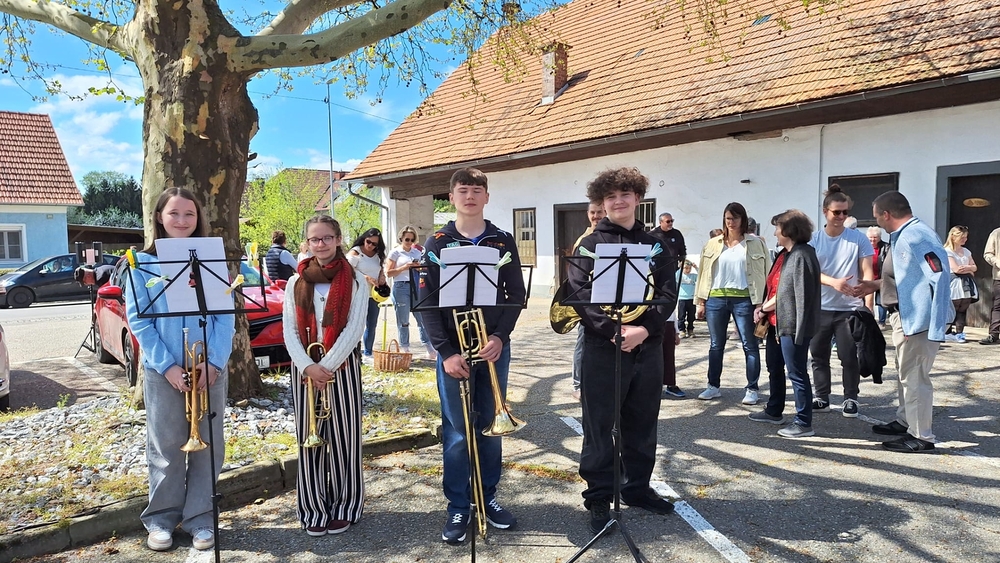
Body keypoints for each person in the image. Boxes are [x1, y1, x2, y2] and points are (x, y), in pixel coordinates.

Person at [124, 188, 236, 552]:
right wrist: (168, 366)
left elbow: (225, 317)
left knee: (208, 445)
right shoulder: (141, 263)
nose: (182, 220)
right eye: (174, 213)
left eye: (190, 214)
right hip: (164, 371)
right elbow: (139, 321)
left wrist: (213, 362)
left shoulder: (211, 261)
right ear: (159, 217)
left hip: (207, 368)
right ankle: (161, 519)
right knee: (166, 446)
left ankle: (201, 518)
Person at [418, 168, 525, 544]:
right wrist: (445, 352)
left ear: (487, 197)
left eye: (477, 190)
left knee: (493, 426)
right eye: (463, 190)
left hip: (492, 348)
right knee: (457, 432)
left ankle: (487, 497)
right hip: (454, 352)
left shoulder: (502, 240)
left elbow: (516, 294)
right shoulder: (437, 243)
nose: (470, 196)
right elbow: (426, 302)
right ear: (451, 197)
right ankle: (459, 505)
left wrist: (500, 336)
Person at [567, 167, 675, 535]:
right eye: (610, 197)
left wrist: (644, 329)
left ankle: (637, 488)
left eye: (625, 194)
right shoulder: (589, 244)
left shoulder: (656, 245)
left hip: (647, 345)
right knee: (599, 425)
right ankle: (599, 495)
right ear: (602, 202)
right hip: (603, 347)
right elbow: (579, 294)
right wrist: (612, 331)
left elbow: (667, 293)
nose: (618, 202)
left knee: (643, 422)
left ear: (637, 198)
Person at [282, 215, 368, 536]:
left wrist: (326, 366)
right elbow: (289, 330)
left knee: (345, 439)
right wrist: (308, 366)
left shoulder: (356, 280)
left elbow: (354, 328)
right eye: (314, 239)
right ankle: (313, 508)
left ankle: (346, 506)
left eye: (327, 238)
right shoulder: (295, 282)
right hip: (304, 368)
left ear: (338, 239)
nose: (321, 244)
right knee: (310, 441)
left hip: (341, 367)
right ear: (307, 243)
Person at [862, 191, 953, 452]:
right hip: (905, 318)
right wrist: (874, 285)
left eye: (877, 216)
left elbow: (939, 277)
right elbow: (906, 277)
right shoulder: (903, 235)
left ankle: (922, 436)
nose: (877, 221)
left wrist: (928, 324)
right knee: (906, 373)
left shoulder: (917, 235)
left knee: (915, 377)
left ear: (886, 214)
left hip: (916, 322)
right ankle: (906, 422)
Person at [750, 210, 821, 438]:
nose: (774, 233)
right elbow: (775, 288)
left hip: (791, 323)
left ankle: (803, 422)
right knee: (775, 367)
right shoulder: (785, 254)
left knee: (796, 372)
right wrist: (765, 309)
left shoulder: (802, 255)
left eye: (777, 228)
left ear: (789, 230)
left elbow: (788, 293)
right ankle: (774, 410)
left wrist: (763, 308)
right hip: (776, 323)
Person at [694, 202, 771, 404]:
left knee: (749, 344)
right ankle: (713, 386)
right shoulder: (712, 244)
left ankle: (752, 389)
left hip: (745, 299)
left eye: (735, 218)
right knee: (715, 345)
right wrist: (700, 302)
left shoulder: (756, 244)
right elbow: (703, 274)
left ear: (743, 219)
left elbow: (767, 274)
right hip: (715, 298)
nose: (731, 222)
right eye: (728, 218)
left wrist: (762, 304)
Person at [808, 185, 874, 418]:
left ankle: (850, 398)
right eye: (837, 212)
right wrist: (833, 282)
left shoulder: (858, 239)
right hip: (821, 307)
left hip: (849, 309)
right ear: (825, 211)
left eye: (845, 212)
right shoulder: (814, 239)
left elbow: (867, 272)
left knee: (849, 356)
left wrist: (867, 300)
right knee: (818, 355)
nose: (841, 216)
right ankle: (821, 397)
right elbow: (809, 272)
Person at [571, 201, 606, 401]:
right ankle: (578, 384)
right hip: (588, 299)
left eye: (599, 212)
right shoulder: (583, 241)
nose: (596, 216)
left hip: (606, 299)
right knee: (583, 342)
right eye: (593, 212)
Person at [385, 225, 433, 358]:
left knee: (422, 318)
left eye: (412, 240)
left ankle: (428, 346)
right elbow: (388, 273)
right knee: (403, 320)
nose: (409, 242)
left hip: (416, 285)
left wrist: (418, 268)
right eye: (407, 239)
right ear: (401, 238)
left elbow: (424, 270)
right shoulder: (395, 252)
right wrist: (405, 267)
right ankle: (405, 346)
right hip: (401, 286)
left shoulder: (416, 253)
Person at [346, 228, 387, 358]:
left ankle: (368, 352)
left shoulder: (378, 254)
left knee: (372, 324)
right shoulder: (355, 252)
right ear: (364, 239)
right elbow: (348, 270)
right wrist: (366, 277)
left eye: (374, 244)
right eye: (368, 241)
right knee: (356, 324)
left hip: (374, 294)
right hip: (357, 293)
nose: (370, 245)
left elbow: (381, 268)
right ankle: (354, 351)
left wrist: (382, 276)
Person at [943, 226, 978, 343]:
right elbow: (956, 269)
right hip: (954, 282)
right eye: (962, 237)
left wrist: (967, 268)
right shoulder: (947, 251)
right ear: (954, 237)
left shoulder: (966, 251)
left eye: (966, 237)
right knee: (952, 306)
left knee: (963, 306)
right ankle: (947, 331)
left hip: (966, 283)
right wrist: (970, 269)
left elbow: (975, 267)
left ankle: (959, 332)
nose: (965, 240)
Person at [867, 226, 889, 327]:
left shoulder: (886, 247)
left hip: (880, 276)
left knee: (881, 301)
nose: (872, 240)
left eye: (875, 237)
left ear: (879, 237)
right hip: (868, 277)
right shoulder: (864, 246)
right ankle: (869, 320)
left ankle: (881, 322)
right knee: (867, 300)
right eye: (870, 237)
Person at [983, 225, 1000, 345]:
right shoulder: (996, 233)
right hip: (999, 277)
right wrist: (997, 262)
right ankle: (994, 334)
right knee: (998, 306)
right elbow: (988, 254)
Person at [676, 260, 697, 338]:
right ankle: (682, 330)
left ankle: (690, 330)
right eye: (685, 268)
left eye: (689, 268)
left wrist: (696, 267)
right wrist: (680, 267)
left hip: (691, 298)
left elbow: (701, 276)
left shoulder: (693, 276)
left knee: (691, 316)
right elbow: (676, 276)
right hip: (682, 299)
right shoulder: (680, 276)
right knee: (681, 316)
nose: (687, 270)